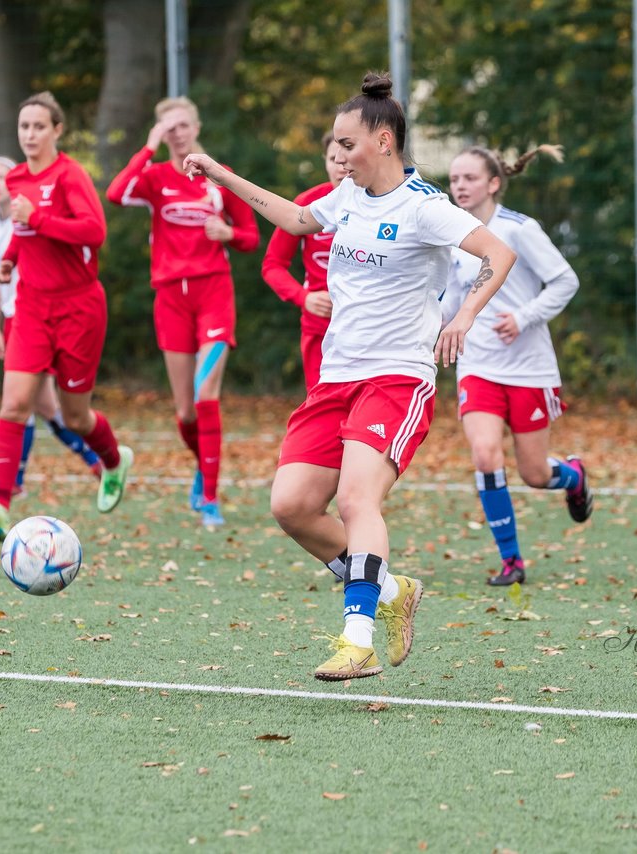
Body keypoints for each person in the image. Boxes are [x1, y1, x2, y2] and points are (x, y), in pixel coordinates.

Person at [183, 72, 518, 681]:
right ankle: (391, 591)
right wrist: (218, 173)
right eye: (334, 144)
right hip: (336, 378)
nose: (339, 155)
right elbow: (295, 220)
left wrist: (464, 316)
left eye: (348, 143)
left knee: (356, 498)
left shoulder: (425, 209)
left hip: (397, 378)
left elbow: (500, 255)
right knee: (291, 506)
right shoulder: (348, 198)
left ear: (384, 141)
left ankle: (357, 637)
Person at [0, 91, 133, 542]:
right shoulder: (17, 177)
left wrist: (38, 219)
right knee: (14, 404)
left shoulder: (70, 175)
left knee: (76, 417)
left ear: (57, 130)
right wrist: (8, 259)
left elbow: (93, 232)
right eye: (24, 127)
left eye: (39, 126)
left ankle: (115, 462)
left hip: (79, 307)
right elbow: (23, 234)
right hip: (31, 307)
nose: (30, 134)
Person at [106, 97, 259, 529]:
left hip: (214, 295)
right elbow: (116, 194)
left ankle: (209, 497)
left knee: (204, 394)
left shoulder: (220, 177)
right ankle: (202, 467)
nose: (177, 133)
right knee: (185, 413)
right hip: (171, 299)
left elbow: (250, 237)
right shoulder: (154, 177)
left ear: (196, 126)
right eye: (168, 127)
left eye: (182, 125)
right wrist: (147, 146)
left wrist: (227, 232)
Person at [444, 145, 593, 587]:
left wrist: (523, 317)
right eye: (454, 180)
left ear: (493, 183)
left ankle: (573, 477)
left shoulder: (520, 229)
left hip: (529, 369)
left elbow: (566, 280)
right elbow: (450, 299)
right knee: (486, 454)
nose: (460, 187)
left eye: (469, 178)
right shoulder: (452, 235)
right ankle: (512, 561)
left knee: (534, 473)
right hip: (478, 366)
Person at [0, 154, 104, 497]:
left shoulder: (38, 205)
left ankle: (94, 460)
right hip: (16, 316)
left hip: (50, 311)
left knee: (45, 407)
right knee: (35, 405)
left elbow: (90, 231)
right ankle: (15, 485)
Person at [261, 131, 349, 391]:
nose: (340, 166)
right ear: (324, 161)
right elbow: (272, 265)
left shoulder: (382, 205)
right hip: (319, 329)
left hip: (368, 329)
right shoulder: (308, 205)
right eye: (333, 158)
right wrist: (304, 297)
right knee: (323, 410)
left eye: (346, 158)